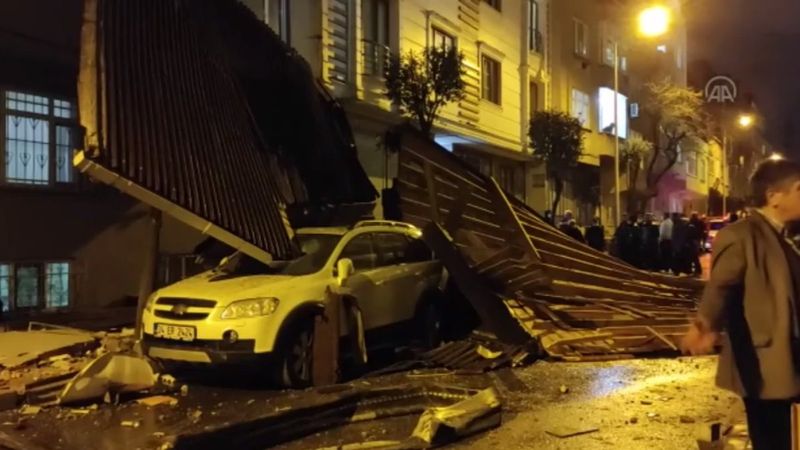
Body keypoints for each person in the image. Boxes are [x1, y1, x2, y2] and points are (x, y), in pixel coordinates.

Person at [681, 159, 800, 450]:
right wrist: (704, 324)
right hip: (764, 362)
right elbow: (721, 285)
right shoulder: (742, 235)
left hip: (789, 355)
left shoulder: (785, 238)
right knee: (773, 438)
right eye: (799, 189)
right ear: (773, 196)